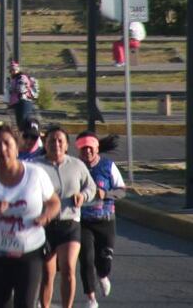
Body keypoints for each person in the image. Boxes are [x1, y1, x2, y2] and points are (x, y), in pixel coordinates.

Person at [0, 124, 60, 308]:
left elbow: (54, 202)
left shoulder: (35, 174)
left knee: (25, 304)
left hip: (29, 252)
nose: (2, 149)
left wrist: (45, 217)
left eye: (7, 143)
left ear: (17, 147)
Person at [36, 126, 97, 308]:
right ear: (45, 144)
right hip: (45, 225)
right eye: (51, 140)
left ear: (67, 145)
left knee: (69, 269)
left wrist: (83, 196)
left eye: (60, 140)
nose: (56, 144)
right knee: (48, 274)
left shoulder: (77, 165)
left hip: (69, 223)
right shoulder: (36, 167)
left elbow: (91, 187)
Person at [76, 132, 125, 308]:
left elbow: (122, 190)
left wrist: (107, 194)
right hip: (82, 222)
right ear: (78, 149)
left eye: (90, 147)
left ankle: (103, 275)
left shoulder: (107, 166)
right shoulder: (75, 167)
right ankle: (91, 298)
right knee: (87, 258)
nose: (87, 151)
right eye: (83, 147)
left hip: (105, 220)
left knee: (104, 259)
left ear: (97, 148)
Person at [6, 61, 39, 129]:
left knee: (24, 122)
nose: (13, 71)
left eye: (14, 70)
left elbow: (21, 89)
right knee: (20, 123)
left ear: (18, 69)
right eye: (11, 70)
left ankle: (27, 135)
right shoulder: (14, 79)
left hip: (24, 101)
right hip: (18, 103)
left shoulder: (21, 77)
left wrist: (12, 88)